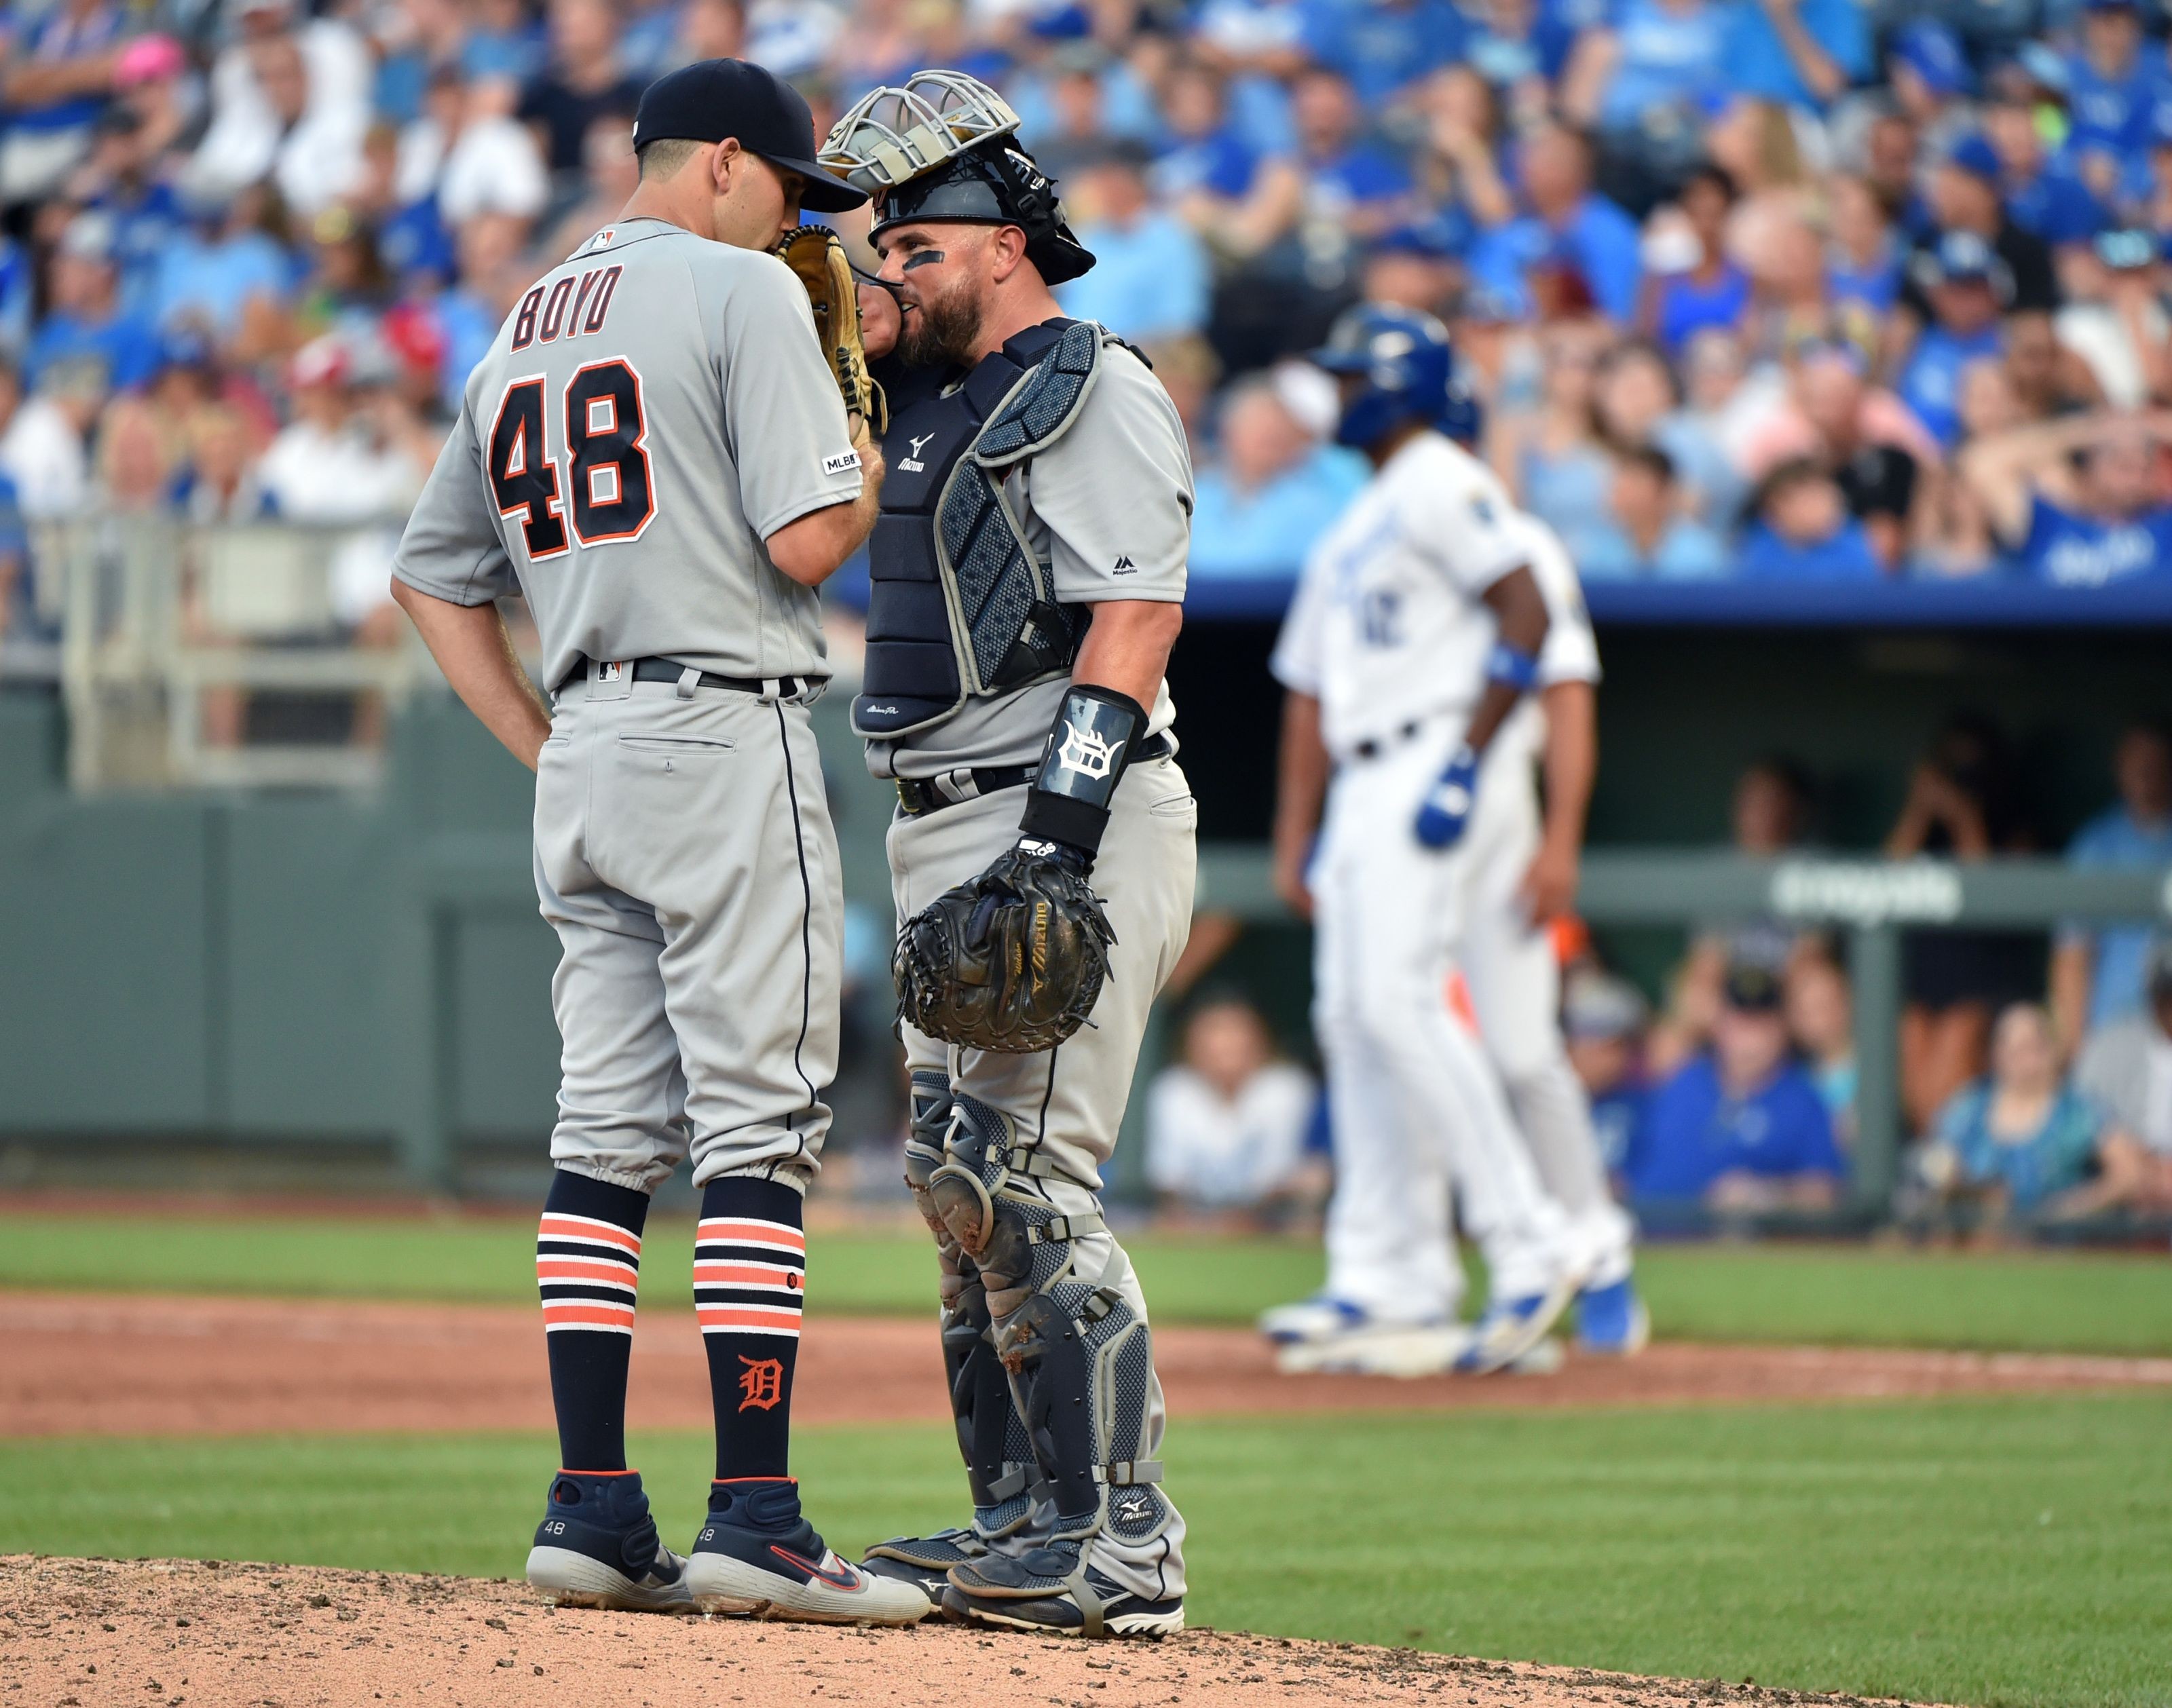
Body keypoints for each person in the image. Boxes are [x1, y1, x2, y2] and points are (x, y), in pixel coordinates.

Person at [388, 58, 925, 1627]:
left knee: (607, 1126)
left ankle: (590, 1498)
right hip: (723, 721)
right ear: (723, 166)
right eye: (791, 189)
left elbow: (433, 577)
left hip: (592, 744)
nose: (799, 225)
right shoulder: (740, 293)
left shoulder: (525, 320)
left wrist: (550, 744)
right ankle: (755, 1508)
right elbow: (808, 542)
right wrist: (859, 431)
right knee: (760, 1119)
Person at [823, 69, 1194, 1638]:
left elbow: (1135, 614)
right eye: (878, 246)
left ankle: (1122, 1536)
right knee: (951, 1184)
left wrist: (1054, 840)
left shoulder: (1087, 379)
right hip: (932, 818)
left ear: (1002, 239)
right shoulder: (914, 396)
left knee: (1018, 1168)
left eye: (917, 245)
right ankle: (1017, 1521)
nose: (888, 270)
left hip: (1066, 806)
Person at [1261, 303, 1587, 1379]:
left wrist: (1469, 755)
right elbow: (1306, 686)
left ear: (1401, 387)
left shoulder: (1443, 476)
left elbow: (1527, 609)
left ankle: (1529, 1242)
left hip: (1432, 748)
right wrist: (1299, 829)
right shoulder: (1364, 512)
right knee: (1352, 1018)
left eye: (1358, 379)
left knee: (1400, 1003)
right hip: (1366, 773)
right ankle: (1389, 1272)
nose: (1341, 395)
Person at [1627, 961, 1846, 1214]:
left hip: (1727, 1247)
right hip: (1642, 1238)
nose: (1748, 1040)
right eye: (1740, 1022)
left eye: (1761, 1025)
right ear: (1720, 1023)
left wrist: (1769, 1194)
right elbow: (1633, 1165)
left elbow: (1826, 1192)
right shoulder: (1681, 1081)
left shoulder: (1803, 1101)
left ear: (1782, 1029)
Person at [1919, 1002, 2143, 1226]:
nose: (2028, 1063)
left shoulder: (2079, 1111)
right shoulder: (1968, 1110)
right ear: (1998, 1054)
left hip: (2058, 1247)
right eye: (2017, 1051)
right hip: (1982, 1245)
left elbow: (2130, 1173)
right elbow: (1937, 1166)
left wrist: (2072, 1208)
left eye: (2036, 1048)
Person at [1144, 995, 1323, 1219]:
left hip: (1272, 1221)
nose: (1225, 1045)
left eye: (1235, 1033)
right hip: (1197, 1223)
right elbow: (1170, 1185)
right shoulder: (1173, 1090)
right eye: (1214, 1033)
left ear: (1259, 1041)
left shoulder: (1285, 1087)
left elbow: (1282, 1182)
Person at [2052, 723, 2172, 1048]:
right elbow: (2072, 956)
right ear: (2120, 767)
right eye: (2137, 762)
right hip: (2114, 1025)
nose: (2147, 772)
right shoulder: (2096, 845)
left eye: (2157, 760)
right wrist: (2074, 1048)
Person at [1960, 411, 2172, 587]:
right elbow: (1982, 462)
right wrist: (2087, 431)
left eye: (2144, 470)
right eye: (2124, 467)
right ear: (2092, 468)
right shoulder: (2048, 523)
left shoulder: (2164, 527)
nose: (2135, 480)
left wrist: (2149, 425)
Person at [2074, 941, 2172, 1209]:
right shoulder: (2111, 1045)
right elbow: (2083, 1114)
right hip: (2129, 1182)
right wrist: (2139, 1161)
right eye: (2166, 995)